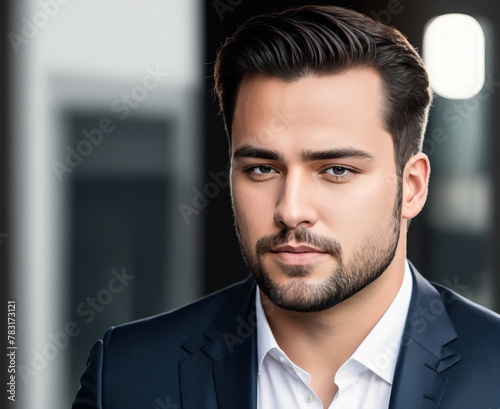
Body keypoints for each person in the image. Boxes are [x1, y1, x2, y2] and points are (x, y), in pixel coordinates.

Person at [72, 5, 500, 409]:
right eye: (262, 169)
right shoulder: (127, 376)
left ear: (411, 188)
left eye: (335, 170)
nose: (291, 210)